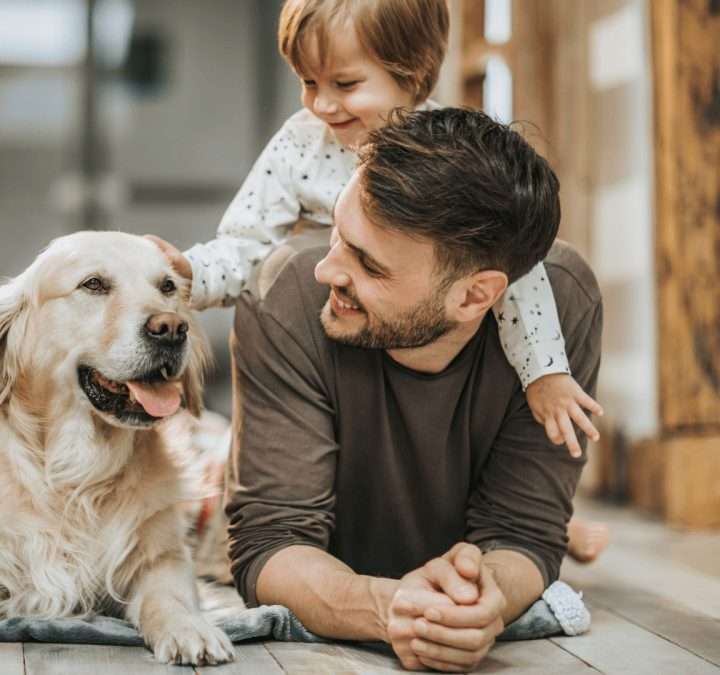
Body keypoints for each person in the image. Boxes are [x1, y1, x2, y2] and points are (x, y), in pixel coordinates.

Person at [148, 0, 608, 561]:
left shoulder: (450, 160)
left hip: (407, 327)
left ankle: (553, 523)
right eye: (308, 82)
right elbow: (246, 239)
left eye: (344, 84)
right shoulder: (302, 144)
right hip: (336, 341)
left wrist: (546, 374)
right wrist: (191, 274)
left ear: (411, 75)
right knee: (214, 473)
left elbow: (516, 269)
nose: (321, 104)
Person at [226, 107, 602, 671]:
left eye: (368, 265)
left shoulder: (564, 305)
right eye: (338, 233)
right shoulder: (285, 296)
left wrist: (485, 601)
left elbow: (523, 534)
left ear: (475, 296)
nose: (328, 271)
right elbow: (270, 542)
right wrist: (389, 608)